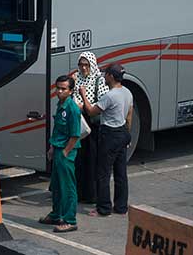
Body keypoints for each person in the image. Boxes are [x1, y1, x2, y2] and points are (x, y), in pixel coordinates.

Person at [80, 63, 133, 217]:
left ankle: (103, 208)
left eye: (105, 73)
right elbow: (129, 114)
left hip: (109, 134)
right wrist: (127, 135)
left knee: (103, 172)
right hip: (122, 132)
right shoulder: (127, 92)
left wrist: (83, 93)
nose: (103, 76)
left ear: (111, 76)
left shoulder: (109, 96)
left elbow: (91, 112)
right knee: (120, 172)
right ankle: (121, 207)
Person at [40, 74, 81, 233]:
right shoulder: (61, 104)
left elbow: (75, 134)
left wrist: (65, 152)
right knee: (56, 185)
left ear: (70, 91)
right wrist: (52, 148)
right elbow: (57, 129)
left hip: (66, 152)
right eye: (58, 88)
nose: (59, 91)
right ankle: (56, 214)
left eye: (63, 89)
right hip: (57, 148)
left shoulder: (72, 108)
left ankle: (70, 220)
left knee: (68, 187)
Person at [72, 51, 108, 203]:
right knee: (79, 160)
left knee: (92, 160)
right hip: (80, 124)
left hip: (92, 126)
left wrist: (83, 101)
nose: (83, 68)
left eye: (86, 65)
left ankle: (91, 195)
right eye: (81, 65)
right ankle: (80, 193)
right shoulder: (76, 78)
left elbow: (101, 104)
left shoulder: (99, 80)